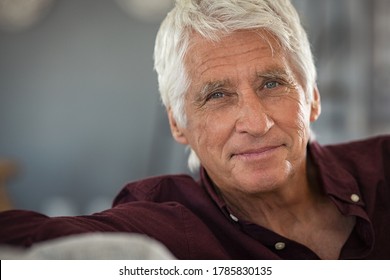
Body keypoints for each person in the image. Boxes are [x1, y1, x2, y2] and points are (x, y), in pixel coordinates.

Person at [0, 0, 389, 260]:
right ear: (177, 123)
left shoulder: (382, 168)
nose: (256, 123)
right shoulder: (161, 227)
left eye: (272, 84)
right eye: (217, 95)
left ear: (313, 98)